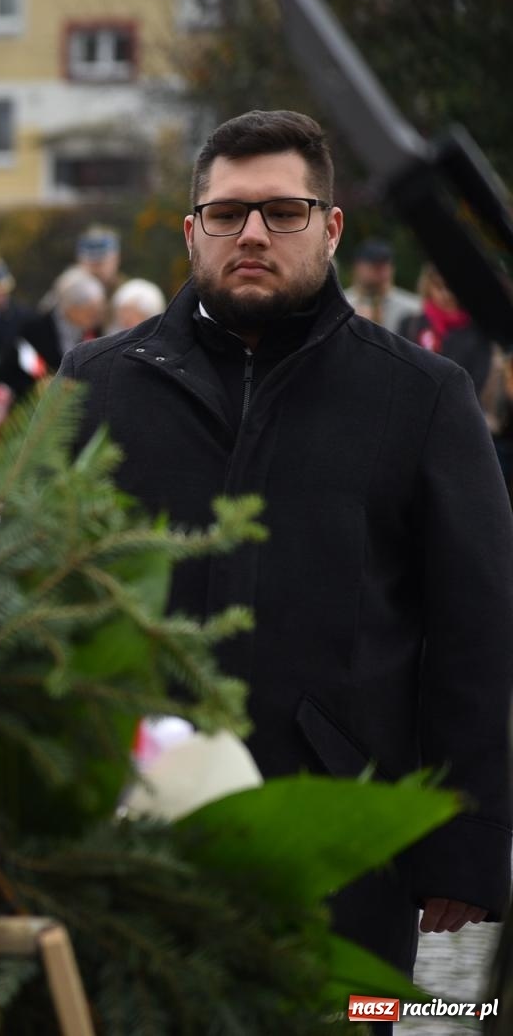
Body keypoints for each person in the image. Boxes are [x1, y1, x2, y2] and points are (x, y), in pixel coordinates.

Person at [57, 109, 513, 993]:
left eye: (284, 211)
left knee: (351, 1020)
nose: (253, 233)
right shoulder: (98, 384)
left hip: (349, 836)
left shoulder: (420, 395)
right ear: (193, 233)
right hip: (129, 833)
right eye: (227, 214)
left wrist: (465, 845)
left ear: (332, 226)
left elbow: (477, 634)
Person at [399, 263, 497, 396]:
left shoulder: (479, 335)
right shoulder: (410, 323)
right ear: (428, 286)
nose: (446, 294)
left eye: (452, 287)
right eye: (439, 286)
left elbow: (475, 386)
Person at [18, 268, 106, 375]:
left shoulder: (97, 330)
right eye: (91, 313)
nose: (97, 317)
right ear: (71, 308)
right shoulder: (34, 330)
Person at [343, 238, 420, 334]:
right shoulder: (341, 305)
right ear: (357, 267)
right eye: (374, 265)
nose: (380, 271)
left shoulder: (413, 309)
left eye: (385, 265)